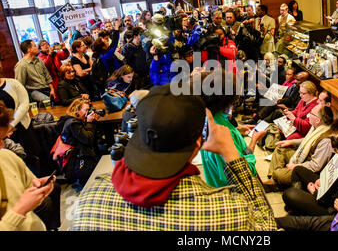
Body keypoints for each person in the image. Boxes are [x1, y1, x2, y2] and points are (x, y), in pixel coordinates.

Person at [69, 84, 277, 231]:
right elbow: (266, 226)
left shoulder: (89, 199)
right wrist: (231, 154)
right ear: (198, 144)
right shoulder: (226, 209)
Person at [196, 70, 262, 188]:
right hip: (235, 193)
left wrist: (238, 129)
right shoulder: (224, 132)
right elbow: (245, 173)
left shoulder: (204, 119)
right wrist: (253, 142)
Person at [0, 102, 56, 231]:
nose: (2, 146)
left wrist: (39, 189)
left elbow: (29, 187)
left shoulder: (8, 156)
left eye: (2, 139)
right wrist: (20, 210)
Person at [282, 130, 338, 216]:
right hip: (325, 188)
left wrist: (314, 192)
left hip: (327, 204)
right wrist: (321, 179)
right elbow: (329, 171)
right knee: (298, 169)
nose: (332, 149)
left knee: (289, 194)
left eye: (334, 148)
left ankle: (299, 204)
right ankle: (298, 204)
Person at [263, 105, 335, 191]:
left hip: (307, 169)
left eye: (311, 113)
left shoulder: (326, 140)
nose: (308, 116)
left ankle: (277, 179)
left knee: (278, 173)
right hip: (304, 157)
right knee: (280, 148)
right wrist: (291, 142)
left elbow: (316, 166)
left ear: (318, 120)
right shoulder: (316, 127)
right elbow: (307, 140)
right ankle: (275, 180)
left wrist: (296, 166)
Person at [56, 98, 101, 187]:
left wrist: (93, 122)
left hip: (80, 154)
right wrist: (90, 123)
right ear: (76, 110)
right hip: (78, 159)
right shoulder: (73, 124)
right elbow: (88, 140)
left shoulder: (76, 121)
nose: (88, 113)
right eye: (86, 110)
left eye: (89, 110)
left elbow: (93, 137)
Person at [14, 40, 55, 105]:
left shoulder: (39, 60)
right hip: (33, 91)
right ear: (29, 50)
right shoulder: (21, 65)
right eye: (35, 46)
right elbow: (19, 85)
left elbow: (47, 76)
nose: (37, 48)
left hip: (46, 88)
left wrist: (52, 89)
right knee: (46, 100)